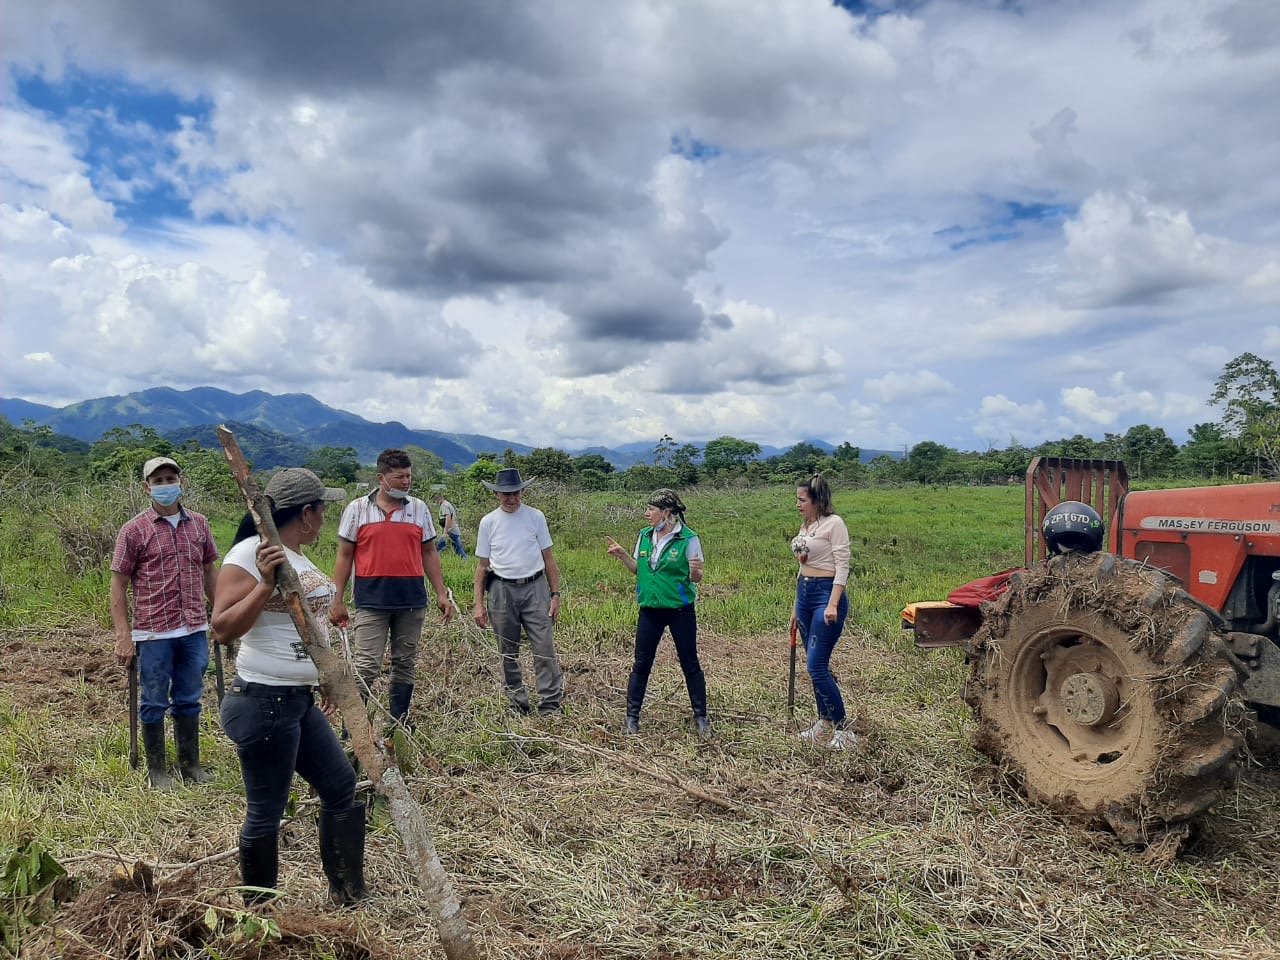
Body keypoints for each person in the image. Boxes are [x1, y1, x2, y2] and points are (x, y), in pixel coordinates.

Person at [211, 468, 368, 906]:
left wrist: (323, 675)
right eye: (322, 510)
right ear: (306, 513)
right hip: (264, 701)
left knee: (340, 786)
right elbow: (222, 628)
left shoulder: (295, 554)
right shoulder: (251, 555)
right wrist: (264, 584)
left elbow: (304, 621)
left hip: (296, 700)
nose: (324, 520)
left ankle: (347, 893)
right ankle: (259, 912)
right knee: (267, 810)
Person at [110, 456, 220, 790]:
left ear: (181, 482)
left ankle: (191, 766)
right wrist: (123, 636)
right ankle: (157, 771)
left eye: (170, 479)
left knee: (190, 698)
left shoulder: (199, 524)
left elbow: (209, 572)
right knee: (154, 700)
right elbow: (118, 585)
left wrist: (220, 615)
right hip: (153, 630)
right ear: (146, 488)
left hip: (193, 629)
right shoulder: (134, 530)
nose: (165, 486)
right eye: (158, 482)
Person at [328, 449, 453, 732]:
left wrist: (441, 593)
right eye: (399, 477)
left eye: (408, 476)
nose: (406, 482)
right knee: (366, 665)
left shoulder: (419, 508)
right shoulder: (357, 509)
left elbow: (430, 552)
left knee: (405, 662)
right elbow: (345, 556)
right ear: (381, 478)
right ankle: (355, 730)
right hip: (371, 600)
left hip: (411, 600)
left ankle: (398, 725)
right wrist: (337, 599)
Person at [606, 489, 711, 739]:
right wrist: (622, 555)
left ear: (666, 512)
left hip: (679, 610)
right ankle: (632, 718)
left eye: (651, 509)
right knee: (641, 664)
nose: (646, 513)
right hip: (650, 610)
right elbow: (638, 569)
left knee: (690, 663)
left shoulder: (688, 538)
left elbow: (696, 577)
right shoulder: (644, 536)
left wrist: (696, 571)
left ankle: (701, 717)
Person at [472, 468, 564, 715]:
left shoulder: (536, 517)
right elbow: (482, 566)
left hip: (535, 588)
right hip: (501, 589)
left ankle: (551, 703)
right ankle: (517, 703)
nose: (511, 499)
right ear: (497, 495)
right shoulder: (488, 522)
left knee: (544, 647)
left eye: (515, 493)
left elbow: (549, 559)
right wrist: (478, 604)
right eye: (506, 494)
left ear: (522, 491)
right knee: (507, 650)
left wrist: (555, 595)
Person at [789, 474, 857, 750]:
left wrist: (832, 603)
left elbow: (842, 566)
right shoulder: (807, 526)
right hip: (805, 595)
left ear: (817, 500)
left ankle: (844, 729)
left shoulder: (834, 524)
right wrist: (796, 607)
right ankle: (824, 721)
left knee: (816, 665)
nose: (798, 505)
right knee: (815, 665)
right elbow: (802, 568)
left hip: (826, 595)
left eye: (802, 500)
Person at [433, 492, 468, 559]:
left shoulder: (444, 505)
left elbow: (448, 517)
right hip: (453, 529)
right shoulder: (447, 504)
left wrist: (445, 532)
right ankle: (464, 559)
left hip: (451, 530)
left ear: (440, 499)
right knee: (458, 548)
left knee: (441, 544)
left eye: (436, 501)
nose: (436, 502)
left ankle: (434, 557)